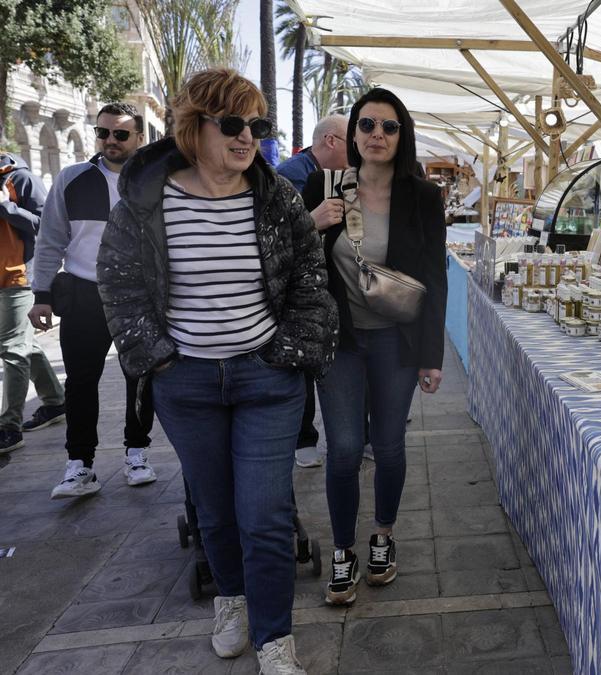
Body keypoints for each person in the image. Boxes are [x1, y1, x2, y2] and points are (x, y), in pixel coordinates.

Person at [96, 69, 337, 674]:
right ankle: (231, 600)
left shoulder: (275, 196)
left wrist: (289, 351)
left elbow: (310, 276)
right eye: (233, 124)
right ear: (192, 127)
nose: (247, 137)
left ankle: (275, 638)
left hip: (267, 379)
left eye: (257, 126)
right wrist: (157, 359)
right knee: (216, 510)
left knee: (265, 515)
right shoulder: (147, 200)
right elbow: (121, 289)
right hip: (188, 383)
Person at [300, 88, 446, 605]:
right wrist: (310, 222)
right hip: (339, 340)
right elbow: (291, 255)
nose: (376, 135)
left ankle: (382, 535)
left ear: (401, 135)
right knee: (341, 449)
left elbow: (433, 277)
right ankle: (344, 550)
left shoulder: (423, 196)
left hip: (396, 342)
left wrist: (432, 355)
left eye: (388, 126)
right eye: (366, 125)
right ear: (352, 134)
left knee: (387, 445)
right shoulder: (325, 184)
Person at [33, 102, 159, 499]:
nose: (110, 141)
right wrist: (41, 295)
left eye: (120, 134)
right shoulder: (72, 179)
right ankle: (80, 466)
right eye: (102, 133)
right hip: (84, 294)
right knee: (81, 384)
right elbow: (50, 240)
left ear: (139, 138)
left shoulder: (155, 182)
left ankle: (137, 453)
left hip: (138, 297)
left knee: (140, 380)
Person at [276, 115, 349, 469]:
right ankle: (303, 438)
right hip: (294, 293)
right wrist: (312, 219)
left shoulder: (334, 175)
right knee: (300, 362)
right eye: (353, 143)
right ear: (332, 141)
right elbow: (273, 235)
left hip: (323, 287)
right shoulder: (293, 174)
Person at [0, 153, 66, 454]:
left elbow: (45, 224)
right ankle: (55, 402)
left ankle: (9, 427)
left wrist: (7, 207)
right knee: (25, 344)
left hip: (18, 278)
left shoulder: (20, 178)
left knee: (12, 349)